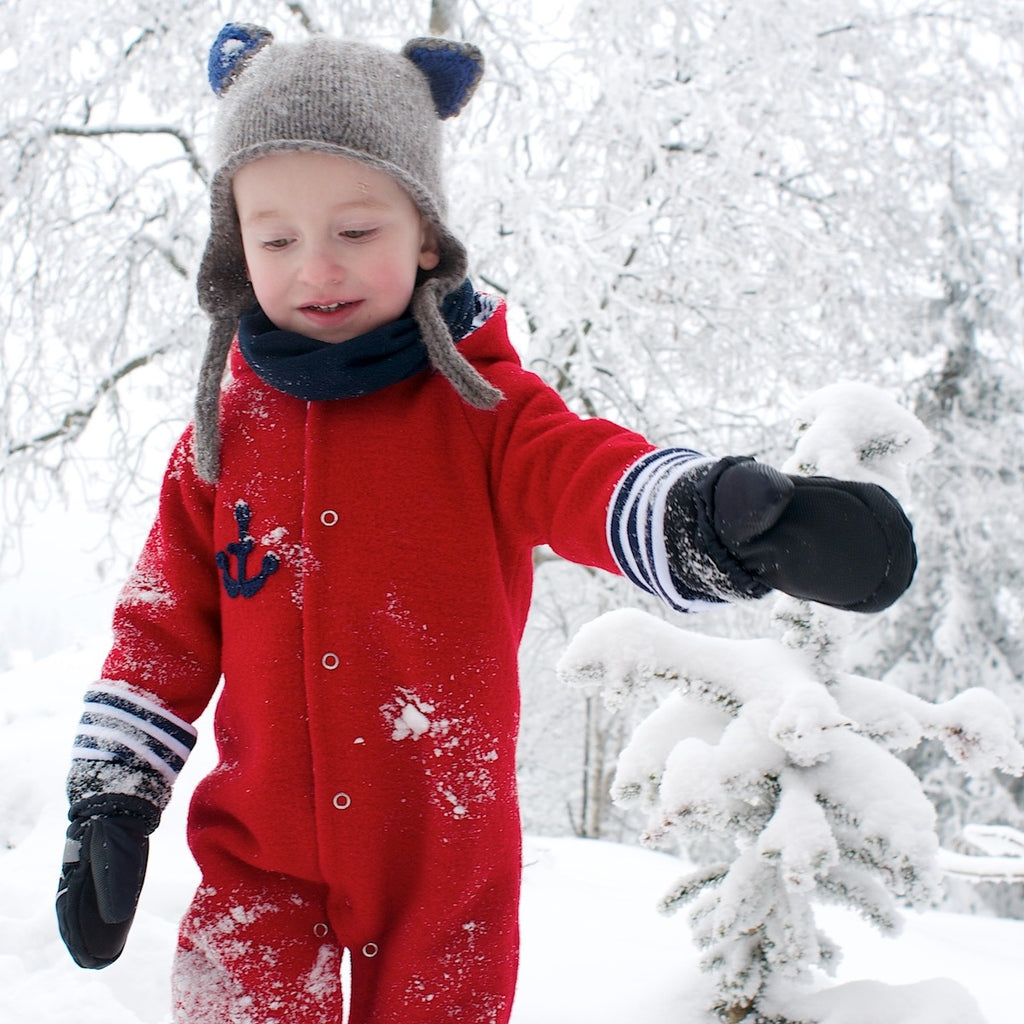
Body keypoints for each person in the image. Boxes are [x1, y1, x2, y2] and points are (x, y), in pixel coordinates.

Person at [54, 23, 916, 1024]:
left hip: (443, 858)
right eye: (276, 236)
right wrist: (112, 794)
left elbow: (590, 476)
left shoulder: (483, 410)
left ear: (424, 234)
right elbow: (162, 626)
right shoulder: (222, 432)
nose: (315, 267)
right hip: (259, 857)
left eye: (356, 229)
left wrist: (710, 520)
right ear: (234, 242)